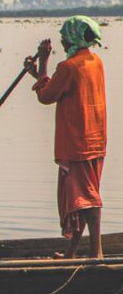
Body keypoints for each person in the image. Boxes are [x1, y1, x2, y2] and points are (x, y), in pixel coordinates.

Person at [25, 16, 108, 258]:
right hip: (95, 140)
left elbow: (46, 96)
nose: (62, 41)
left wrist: (43, 63)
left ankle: (97, 254)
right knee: (80, 199)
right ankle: (72, 253)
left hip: (77, 143)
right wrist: (37, 73)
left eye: (64, 37)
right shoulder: (95, 61)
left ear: (73, 38)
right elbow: (56, 89)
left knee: (87, 198)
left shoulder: (69, 67)